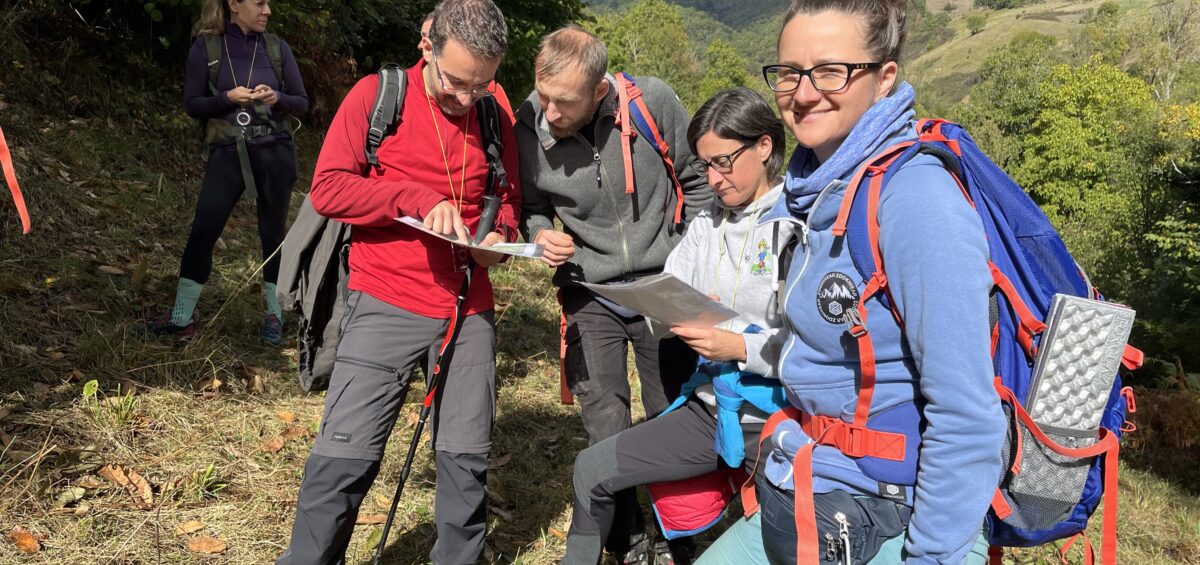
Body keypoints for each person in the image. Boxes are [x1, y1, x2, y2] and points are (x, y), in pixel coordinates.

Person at [754, 1, 1003, 563]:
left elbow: (966, 414)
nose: (805, 92)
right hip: (809, 475)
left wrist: (932, 556)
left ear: (884, 77)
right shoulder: (815, 186)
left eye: (831, 71)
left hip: (878, 505)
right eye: (789, 72)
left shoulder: (915, 200)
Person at [275, 0, 520, 563]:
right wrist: (410, 196)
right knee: (345, 456)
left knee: (465, 459)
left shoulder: (492, 112)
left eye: (482, 85)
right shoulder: (375, 95)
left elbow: (505, 200)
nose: (467, 99)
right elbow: (330, 188)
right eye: (457, 82)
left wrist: (496, 242)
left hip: (467, 309)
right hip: (384, 297)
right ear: (426, 44)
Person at [562, 88, 793, 565]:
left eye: (723, 162)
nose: (712, 178)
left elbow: (820, 351)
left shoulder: (799, 224)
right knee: (591, 468)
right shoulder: (707, 223)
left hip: (780, 423)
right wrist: (662, 307)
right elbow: (674, 284)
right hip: (710, 410)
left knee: (788, 541)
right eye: (705, 165)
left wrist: (738, 346)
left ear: (765, 146)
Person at [514, 25, 711, 563]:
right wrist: (539, 235)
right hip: (587, 289)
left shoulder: (655, 103)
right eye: (543, 96)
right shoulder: (528, 122)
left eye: (563, 103)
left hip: (662, 286)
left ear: (600, 91)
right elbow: (529, 205)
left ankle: (681, 536)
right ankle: (629, 540)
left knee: (671, 414)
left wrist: (688, 259)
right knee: (605, 423)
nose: (548, 113)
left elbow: (696, 179)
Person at [146, 0, 307, 344]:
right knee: (204, 229)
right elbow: (192, 104)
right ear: (234, 4)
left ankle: (274, 317)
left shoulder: (277, 48)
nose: (268, 11)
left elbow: (302, 101)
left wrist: (276, 97)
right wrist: (227, 99)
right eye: (260, 3)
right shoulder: (207, 46)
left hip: (275, 152)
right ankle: (181, 318)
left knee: (273, 234)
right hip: (227, 152)